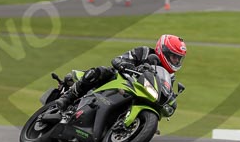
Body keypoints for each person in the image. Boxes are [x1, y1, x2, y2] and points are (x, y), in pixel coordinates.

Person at [54, 34, 186, 111]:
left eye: (178, 58)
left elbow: (163, 92)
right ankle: (67, 98)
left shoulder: (170, 76)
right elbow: (120, 59)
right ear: (162, 49)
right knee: (101, 71)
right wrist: (124, 64)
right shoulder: (144, 52)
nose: (175, 61)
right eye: (173, 56)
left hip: (137, 94)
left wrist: (170, 100)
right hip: (119, 81)